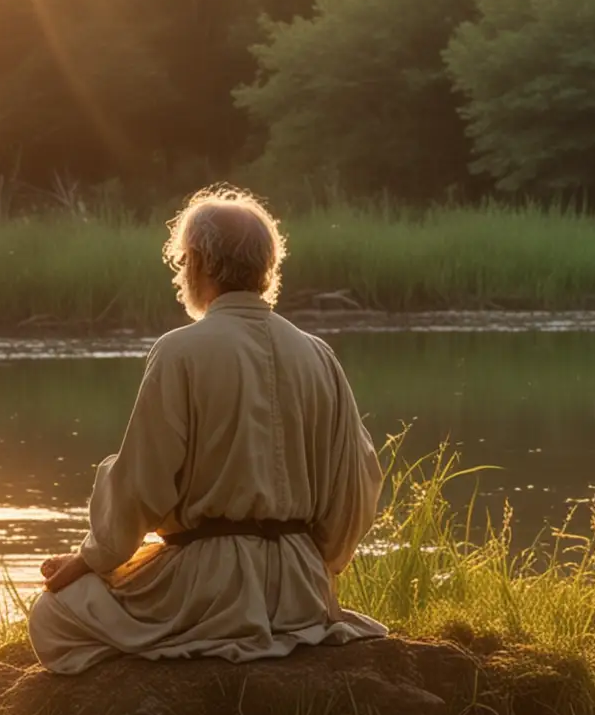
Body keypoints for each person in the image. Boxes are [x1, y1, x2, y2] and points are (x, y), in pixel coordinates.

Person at [27, 186, 390, 673]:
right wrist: (317, 566)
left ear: (198, 263)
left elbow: (142, 484)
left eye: (183, 263)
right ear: (266, 266)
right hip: (303, 590)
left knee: (52, 615)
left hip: (211, 588)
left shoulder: (180, 351)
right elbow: (358, 485)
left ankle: (174, 653)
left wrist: (89, 559)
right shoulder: (318, 354)